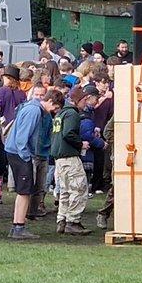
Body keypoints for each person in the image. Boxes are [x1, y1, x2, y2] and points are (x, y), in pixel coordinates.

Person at [5, 86, 48, 241]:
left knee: (22, 192)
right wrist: (26, 157)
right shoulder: (34, 111)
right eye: (55, 107)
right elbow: (22, 137)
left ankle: (16, 225)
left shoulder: (29, 107)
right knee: (25, 192)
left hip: (14, 151)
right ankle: (19, 227)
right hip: (19, 153)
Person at [49, 85, 89, 235]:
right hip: (69, 157)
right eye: (84, 99)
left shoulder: (60, 114)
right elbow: (68, 133)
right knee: (79, 188)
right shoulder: (72, 114)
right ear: (77, 100)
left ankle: (62, 220)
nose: (86, 102)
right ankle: (73, 221)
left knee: (65, 190)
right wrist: (80, 143)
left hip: (59, 159)